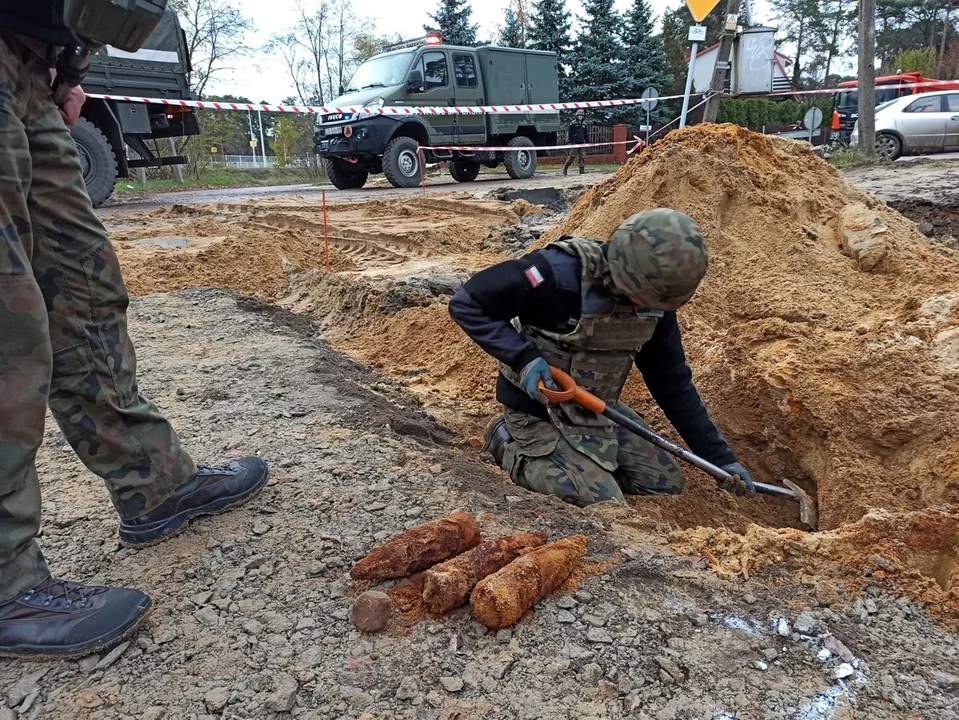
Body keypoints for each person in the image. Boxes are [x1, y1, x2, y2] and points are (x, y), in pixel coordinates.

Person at [0, 5, 269, 659]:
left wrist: (64, 70)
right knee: (8, 323)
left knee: (83, 287)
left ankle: (153, 481)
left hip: (32, 67)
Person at [448, 209, 755, 507]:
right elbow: (468, 303)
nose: (645, 307)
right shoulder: (558, 273)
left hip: (595, 407)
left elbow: (672, 382)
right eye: (641, 297)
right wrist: (523, 357)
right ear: (624, 270)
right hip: (538, 409)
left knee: (662, 484)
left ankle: (579, 466)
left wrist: (719, 457)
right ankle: (507, 444)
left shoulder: (655, 303)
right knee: (601, 502)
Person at [563, 110, 588, 176]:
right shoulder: (573, 123)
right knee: (572, 156)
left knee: (582, 157)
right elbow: (569, 133)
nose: (580, 117)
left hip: (582, 142)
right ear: (577, 116)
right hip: (574, 142)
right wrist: (569, 141)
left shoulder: (584, 124)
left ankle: (582, 170)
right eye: (579, 115)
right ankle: (565, 168)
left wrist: (587, 141)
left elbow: (585, 134)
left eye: (582, 115)